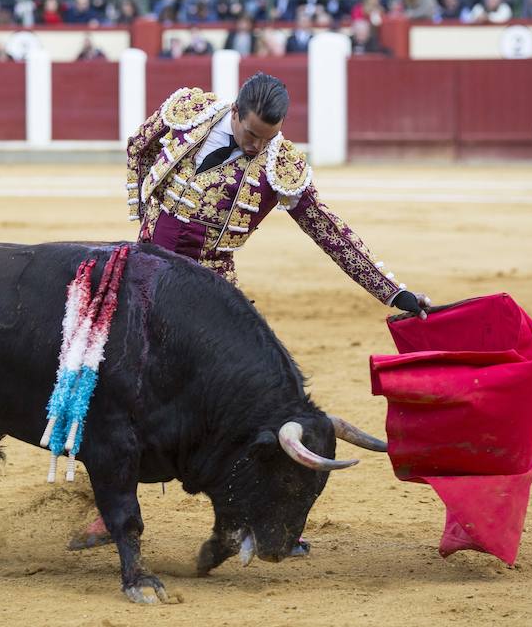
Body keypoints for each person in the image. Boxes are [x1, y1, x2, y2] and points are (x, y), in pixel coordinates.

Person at [70, 73, 432, 551]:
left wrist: (392, 292)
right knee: (111, 386)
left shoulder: (280, 165)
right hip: (144, 281)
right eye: (251, 134)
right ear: (235, 112)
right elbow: (138, 146)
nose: (259, 145)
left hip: (213, 297)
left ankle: (272, 514)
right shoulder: (189, 113)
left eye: (269, 137)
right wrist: (143, 213)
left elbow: (327, 230)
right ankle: (106, 507)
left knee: (249, 403)